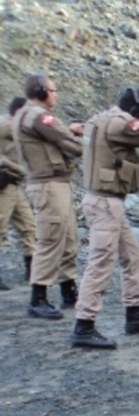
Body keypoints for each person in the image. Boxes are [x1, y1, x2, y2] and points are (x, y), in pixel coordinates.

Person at [69, 87, 139, 349]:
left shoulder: (99, 119)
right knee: (100, 263)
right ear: (135, 111)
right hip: (105, 203)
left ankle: (134, 314)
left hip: (108, 203)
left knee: (132, 256)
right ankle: (83, 325)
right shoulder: (120, 123)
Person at [12, 74, 83, 319]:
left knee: (67, 237)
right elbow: (69, 143)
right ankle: (38, 297)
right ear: (41, 92)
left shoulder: (28, 114)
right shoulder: (39, 116)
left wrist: (70, 132)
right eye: (53, 90)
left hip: (53, 183)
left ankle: (68, 290)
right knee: (50, 239)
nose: (56, 94)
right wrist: (81, 138)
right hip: (49, 184)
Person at [0, 97, 35, 290]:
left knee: (28, 226)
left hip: (14, 185)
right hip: (4, 184)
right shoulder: (6, 126)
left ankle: (32, 271)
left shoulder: (18, 129)